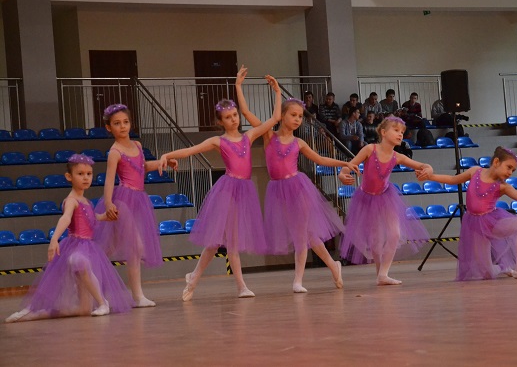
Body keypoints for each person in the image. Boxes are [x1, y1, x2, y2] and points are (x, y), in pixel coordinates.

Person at [159, 68, 281, 299]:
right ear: (220, 122)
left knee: (223, 242)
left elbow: (275, 119)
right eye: (228, 117)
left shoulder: (249, 136)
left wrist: (275, 92)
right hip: (227, 190)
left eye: (235, 115)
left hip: (244, 191)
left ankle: (197, 278)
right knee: (222, 241)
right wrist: (167, 154)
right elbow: (191, 150)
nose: (233, 119)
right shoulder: (218, 141)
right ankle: (233, 285)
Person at [236, 76, 359, 293]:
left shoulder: (298, 142)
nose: (297, 119)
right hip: (277, 190)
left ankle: (298, 280)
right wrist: (244, 87)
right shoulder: (268, 135)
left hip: (298, 188)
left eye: (300, 116)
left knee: (301, 235)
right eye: (293, 115)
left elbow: (320, 159)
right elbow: (245, 113)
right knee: (307, 235)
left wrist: (345, 162)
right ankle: (333, 265)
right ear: (282, 116)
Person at [6, 155, 134, 323]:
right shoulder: (71, 201)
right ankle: (103, 302)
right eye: (80, 174)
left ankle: (34, 314)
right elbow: (66, 218)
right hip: (76, 246)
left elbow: (91, 219)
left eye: (89, 174)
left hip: (88, 247)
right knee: (77, 261)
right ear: (69, 177)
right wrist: (54, 239)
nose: (86, 178)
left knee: (84, 309)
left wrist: (105, 216)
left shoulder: (86, 201)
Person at [417, 147, 517, 281]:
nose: (510, 173)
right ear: (496, 162)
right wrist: (431, 176)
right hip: (475, 226)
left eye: (513, 170)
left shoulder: (503, 186)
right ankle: (503, 268)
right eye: (508, 167)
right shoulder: (475, 171)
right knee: (486, 274)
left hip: (493, 222)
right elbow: (453, 179)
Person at [94, 104, 177, 308]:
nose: (122, 126)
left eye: (125, 122)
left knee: (109, 248)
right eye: (117, 123)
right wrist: (108, 203)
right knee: (136, 246)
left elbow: (142, 167)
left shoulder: (138, 146)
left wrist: (162, 163)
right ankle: (137, 296)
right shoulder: (115, 152)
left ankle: (90, 275)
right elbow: (109, 180)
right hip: (122, 200)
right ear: (109, 128)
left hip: (138, 199)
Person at [338, 117, 432, 285]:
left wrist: (429, 168)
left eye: (402, 132)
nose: (400, 134)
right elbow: (348, 166)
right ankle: (380, 274)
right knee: (375, 241)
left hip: (386, 196)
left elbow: (422, 165)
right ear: (383, 132)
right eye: (396, 130)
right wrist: (342, 174)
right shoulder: (369, 149)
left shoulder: (398, 156)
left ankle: (383, 274)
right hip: (366, 198)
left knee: (395, 234)